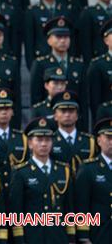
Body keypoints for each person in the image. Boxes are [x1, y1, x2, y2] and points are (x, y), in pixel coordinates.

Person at [8, 117, 76, 244]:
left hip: (58, 236)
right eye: (39, 140)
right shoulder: (21, 172)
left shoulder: (63, 170)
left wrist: (71, 237)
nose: (44, 144)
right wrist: (20, 240)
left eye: (47, 140)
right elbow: (16, 211)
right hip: (33, 236)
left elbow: (69, 208)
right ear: (30, 143)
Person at [30, 17, 87, 115]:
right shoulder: (40, 64)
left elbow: (83, 102)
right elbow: (36, 99)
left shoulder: (78, 65)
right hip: (49, 118)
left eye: (66, 37)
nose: (63, 41)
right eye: (58, 37)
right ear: (49, 40)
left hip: (73, 120)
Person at [24, 0, 77, 68]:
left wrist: (73, 58)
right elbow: (29, 41)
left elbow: (72, 38)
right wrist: (31, 65)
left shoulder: (66, 10)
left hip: (64, 59)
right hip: (42, 59)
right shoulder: (32, 12)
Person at [74, 116, 112, 244]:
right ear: (99, 140)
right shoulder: (88, 168)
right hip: (99, 232)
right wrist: (84, 236)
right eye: (109, 138)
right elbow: (82, 204)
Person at [0, 87, 27, 190]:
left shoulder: (22, 138)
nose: (4, 112)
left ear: (12, 112)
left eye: (7, 108)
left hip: (16, 191)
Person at [48, 91, 94, 172]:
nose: (67, 114)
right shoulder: (50, 140)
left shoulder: (90, 141)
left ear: (77, 116)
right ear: (55, 116)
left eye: (71, 111)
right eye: (63, 111)